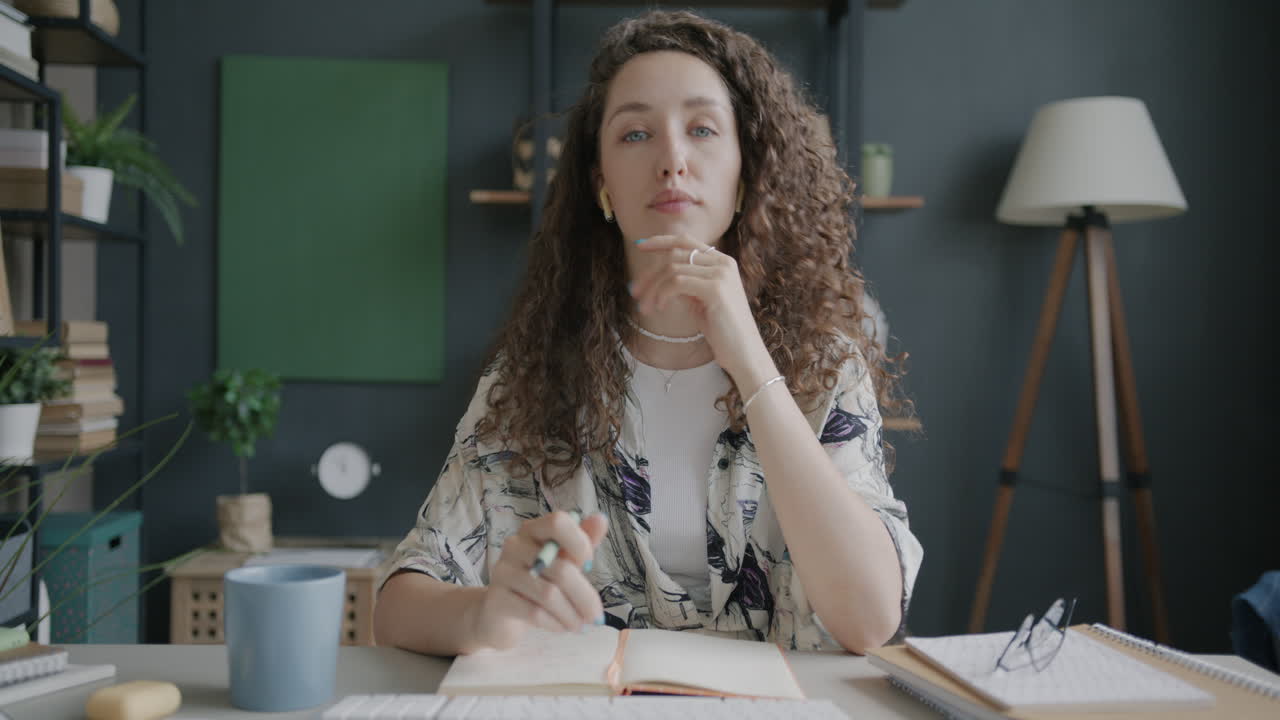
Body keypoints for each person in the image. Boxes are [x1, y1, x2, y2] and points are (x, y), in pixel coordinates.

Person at [373, 9, 922, 656]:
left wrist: (750, 361)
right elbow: (397, 608)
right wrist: (485, 613)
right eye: (636, 134)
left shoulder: (825, 365)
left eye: (702, 129)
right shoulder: (534, 376)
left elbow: (869, 617)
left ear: (745, 173)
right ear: (601, 183)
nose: (672, 160)